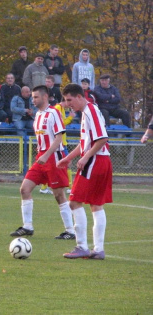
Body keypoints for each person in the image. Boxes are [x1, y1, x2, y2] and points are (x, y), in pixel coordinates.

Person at [10, 85, 74, 240]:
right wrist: (42, 154)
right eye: (32, 97)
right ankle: (28, 226)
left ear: (45, 97)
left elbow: (59, 138)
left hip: (54, 158)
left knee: (59, 195)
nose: (33, 100)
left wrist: (48, 155)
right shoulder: (38, 115)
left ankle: (70, 230)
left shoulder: (54, 113)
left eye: (36, 97)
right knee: (25, 189)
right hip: (42, 157)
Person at [58, 84, 112, 260]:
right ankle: (98, 250)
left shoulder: (90, 111)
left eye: (69, 100)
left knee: (74, 202)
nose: (67, 104)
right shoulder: (87, 112)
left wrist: (85, 157)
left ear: (80, 97)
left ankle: (81, 246)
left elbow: (102, 138)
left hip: (95, 161)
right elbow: (85, 143)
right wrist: (70, 157)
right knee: (96, 205)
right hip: (101, 160)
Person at [40, 97, 75, 194]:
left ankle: (44, 187)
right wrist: (71, 117)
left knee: (59, 165)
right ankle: (70, 187)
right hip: (60, 143)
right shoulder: (58, 108)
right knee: (67, 163)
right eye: (69, 101)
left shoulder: (60, 108)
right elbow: (61, 124)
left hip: (61, 142)